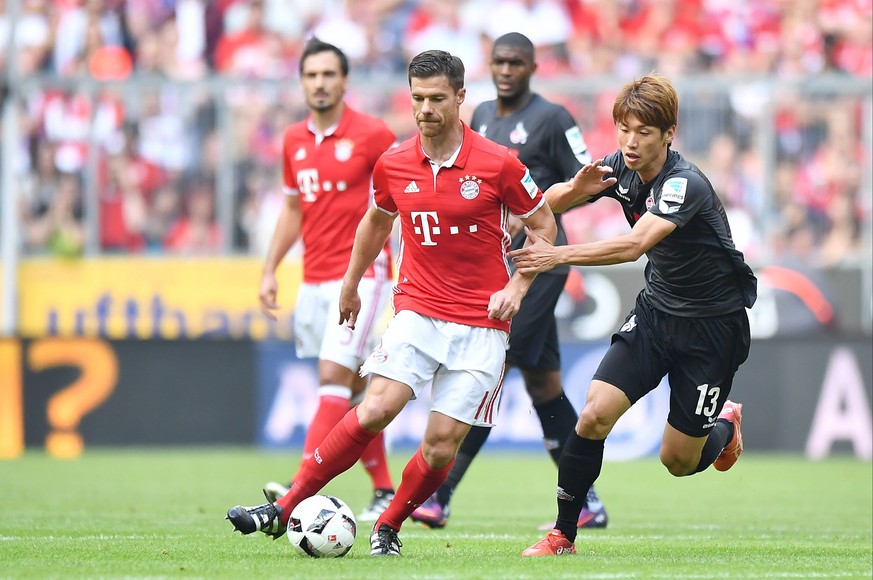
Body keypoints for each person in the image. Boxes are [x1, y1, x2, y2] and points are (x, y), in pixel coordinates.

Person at [226, 49, 558, 556]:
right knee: (376, 407)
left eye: (437, 99)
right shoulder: (395, 162)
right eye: (418, 98)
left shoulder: (498, 164)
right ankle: (285, 506)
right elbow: (376, 222)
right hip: (417, 309)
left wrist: (517, 287)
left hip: (481, 325)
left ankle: (389, 524)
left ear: (461, 98)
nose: (425, 109)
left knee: (441, 444)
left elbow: (543, 226)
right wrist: (351, 283)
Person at [514, 74, 756, 556]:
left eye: (644, 132)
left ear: (669, 134)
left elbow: (633, 245)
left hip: (713, 329)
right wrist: (564, 195)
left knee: (678, 461)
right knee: (593, 414)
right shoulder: (617, 166)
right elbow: (550, 201)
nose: (630, 141)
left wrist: (556, 255)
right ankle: (563, 535)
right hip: (656, 315)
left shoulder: (683, 184)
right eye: (624, 128)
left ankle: (725, 425)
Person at [410, 32, 608, 531]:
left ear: (532, 67)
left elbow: (589, 184)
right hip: (494, 263)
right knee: (543, 384)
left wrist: (535, 207)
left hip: (539, 262)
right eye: (498, 61)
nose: (505, 70)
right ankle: (585, 500)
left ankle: (441, 492)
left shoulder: (553, 118)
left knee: (491, 362)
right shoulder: (478, 117)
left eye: (515, 62)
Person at [255, 38, 397, 522]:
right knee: (354, 395)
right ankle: (382, 487)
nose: (319, 83)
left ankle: (296, 490)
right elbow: (293, 208)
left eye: (328, 74)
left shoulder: (372, 134)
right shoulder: (294, 139)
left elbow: (403, 197)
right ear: (302, 82)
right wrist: (270, 268)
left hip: (361, 276)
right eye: (311, 75)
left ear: (344, 81)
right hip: (313, 278)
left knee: (332, 380)